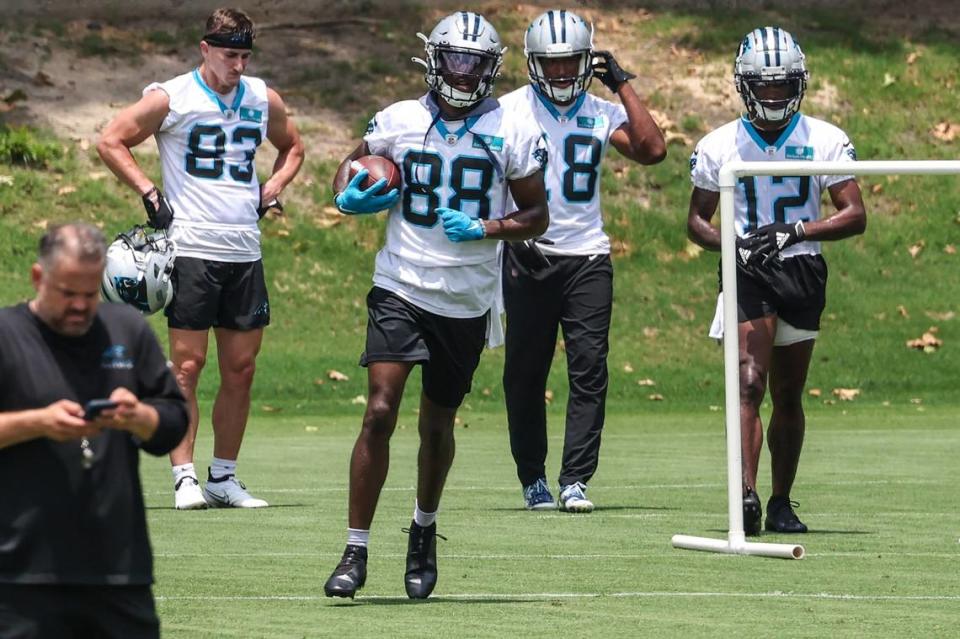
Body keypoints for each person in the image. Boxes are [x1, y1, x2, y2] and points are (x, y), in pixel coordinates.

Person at [322, 11, 549, 599]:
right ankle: (355, 548)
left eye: (475, 62)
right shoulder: (398, 118)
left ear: (492, 68)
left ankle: (423, 529)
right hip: (400, 283)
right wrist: (349, 190)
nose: (464, 71)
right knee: (379, 410)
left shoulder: (514, 128)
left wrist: (485, 226)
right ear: (435, 59)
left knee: (436, 422)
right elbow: (347, 168)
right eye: (454, 58)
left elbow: (537, 215)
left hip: (466, 297)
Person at [97, 7, 304, 510]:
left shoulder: (262, 97)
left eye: (245, 56)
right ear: (205, 49)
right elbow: (111, 139)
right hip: (190, 248)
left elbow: (293, 147)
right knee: (187, 367)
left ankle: (224, 477)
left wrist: (270, 189)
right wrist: (148, 191)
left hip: (244, 250)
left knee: (242, 368)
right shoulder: (172, 96)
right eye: (230, 55)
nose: (238, 66)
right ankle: (184, 476)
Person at [686, 26, 866, 535]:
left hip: (802, 266)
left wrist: (798, 229)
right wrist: (734, 245)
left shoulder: (825, 137)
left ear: (799, 83)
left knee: (789, 394)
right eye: (762, 85)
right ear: (743, 85)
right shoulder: (720, 143)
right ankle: (745, 495)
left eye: (782, 85)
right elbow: (697, 220)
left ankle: (781, 500)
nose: (772, 95)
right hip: (749, 268)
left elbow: (855, 214)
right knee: (749, 382)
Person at [499, 10, 666, 513]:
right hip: (529, 254)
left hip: (587, 255)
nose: (561, 73)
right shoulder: (507, 110)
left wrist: (622, 86)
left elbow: (652, 149)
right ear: (533, 64)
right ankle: (533, 478)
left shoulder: (599, 110)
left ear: (588, 61)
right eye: (551, 64)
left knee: (589, 368)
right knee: (524, 372)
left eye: (571, 62)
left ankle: (575, 480)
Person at [0, 223, 188, 638]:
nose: (80, 306)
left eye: (89, 293)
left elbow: (174, 420)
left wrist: (140, 417)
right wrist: (39, 422)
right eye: (68, 293)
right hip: (21, 576)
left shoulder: (126, 329)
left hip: (118, 573)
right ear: (38, 278)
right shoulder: (7, 335)